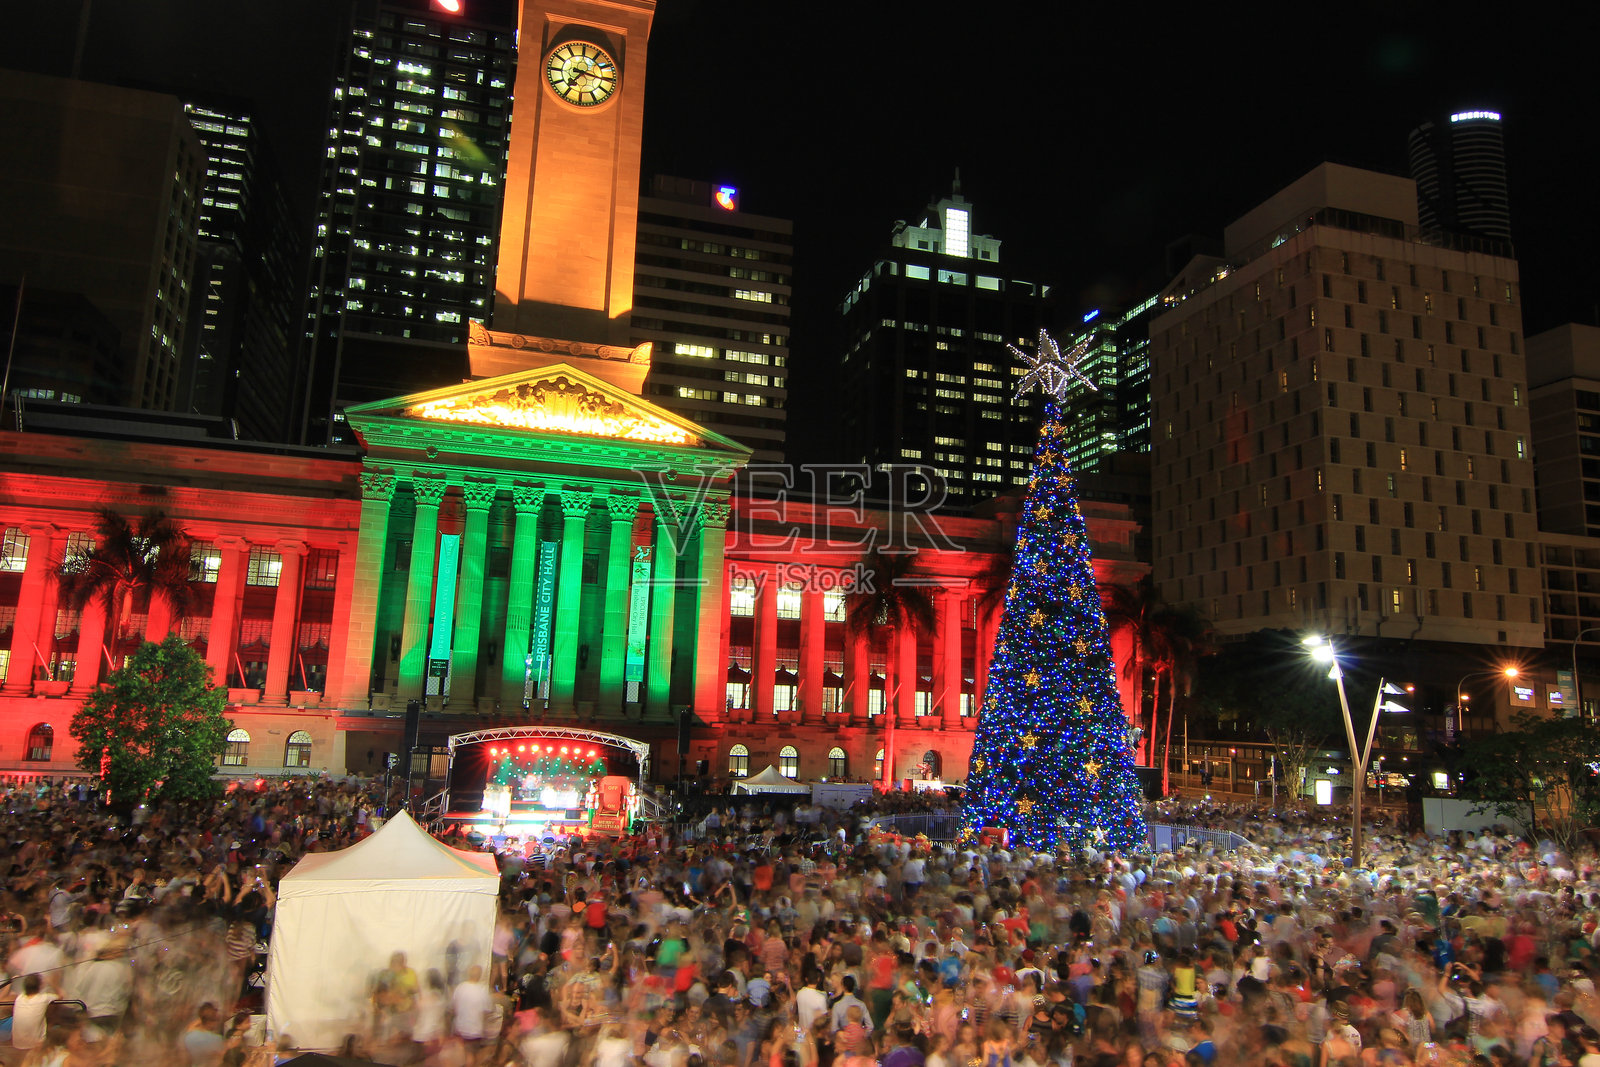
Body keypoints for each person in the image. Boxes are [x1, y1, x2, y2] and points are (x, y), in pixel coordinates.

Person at [10, 973, 58, 1052]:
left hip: (16, 1044)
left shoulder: (19, 998)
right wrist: (52, 983)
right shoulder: (43, 998)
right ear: (39, 986)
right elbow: (61, 995)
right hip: (35, 1046)